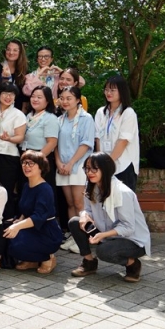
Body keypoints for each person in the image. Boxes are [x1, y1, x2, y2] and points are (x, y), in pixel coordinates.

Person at [68, 152, 151, 282]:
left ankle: (132, 264)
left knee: (103, 251)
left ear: (106, 169)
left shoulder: (122, 192)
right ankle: (89, 263)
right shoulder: (92, 186)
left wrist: (103, 235)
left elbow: (128, 227)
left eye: (95, 168)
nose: (90, 172)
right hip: (107, 234)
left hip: (132, 241)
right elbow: (87, 210)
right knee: (75, 222)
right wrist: (84, 215)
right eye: (87, 168)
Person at [4, 150, 63, 274]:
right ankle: (33, 260)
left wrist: (17, 226)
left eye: (31, 163)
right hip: (32, 229)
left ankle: (48, 258)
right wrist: (19, 220)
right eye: (24, 163)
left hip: (47, 233)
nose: (26, 166)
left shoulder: (45, 189)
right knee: (5, 233)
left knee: (15, 240)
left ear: (41, 167)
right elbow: (26, 209)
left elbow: (39, 216)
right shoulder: (26, 186)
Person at [56, 86, 95, 254]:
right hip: (63, 167)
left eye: (69, 98)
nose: (65, 101)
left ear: (78, 100)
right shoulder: (60, 120)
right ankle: (74, 236)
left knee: (80, 203)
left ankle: (85, 238)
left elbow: (86, 143)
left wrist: (71, 163)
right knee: (70, 203)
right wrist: (59, 163)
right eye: (62, 98)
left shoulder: (87, 118)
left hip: (79, 166)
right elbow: (55, 143)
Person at [94, 75, 140, 192]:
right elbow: (98, 138)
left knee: (124, 206)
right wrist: (101, 161)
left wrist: (107, 163)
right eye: (106, 89)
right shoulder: (101, 112)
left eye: (113, 90)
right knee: (104, 203)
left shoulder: (128, 113)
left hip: (123, 166)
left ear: (122, 91)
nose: (109, 92)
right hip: (104, 166)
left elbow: (123, 142)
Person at [0, 83, 27, 220]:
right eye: (5, 93)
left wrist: (9, 138)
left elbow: (20, 137)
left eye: (11, 94)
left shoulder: (18, 114)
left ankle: (8, 220)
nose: (8, 97)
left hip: (9, 156)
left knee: (6, 189)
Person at [21, 86, 59, 191]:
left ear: (47, 100)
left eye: (39, 97)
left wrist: (36, 160)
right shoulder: (29, 116)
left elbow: (52, 143)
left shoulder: (50, 118)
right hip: (26, 157)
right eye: (33, 96)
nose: (35, 99)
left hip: (41, 159)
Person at [0, 39, 28, 111]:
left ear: (20, 52)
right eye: (8, 49)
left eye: (15, 50)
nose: (11, 52)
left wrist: (23, 113)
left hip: (17, 110)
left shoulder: (23, 71)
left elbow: (24, 96)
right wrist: (5, 78)